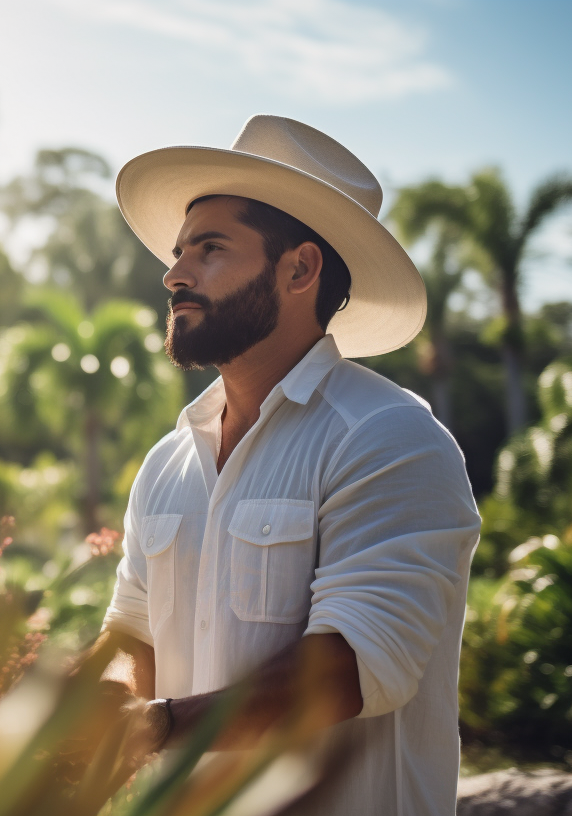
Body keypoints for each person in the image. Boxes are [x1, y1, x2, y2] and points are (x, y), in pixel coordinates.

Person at [95, 115, 481, 815]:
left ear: (299, 268)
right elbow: (131, 635)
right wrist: (96, 708)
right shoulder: (167, 462)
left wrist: (154, 727)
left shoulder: (391, 439)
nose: (173, 273)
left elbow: (348, 671)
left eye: (210, 249)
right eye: (181, 250)